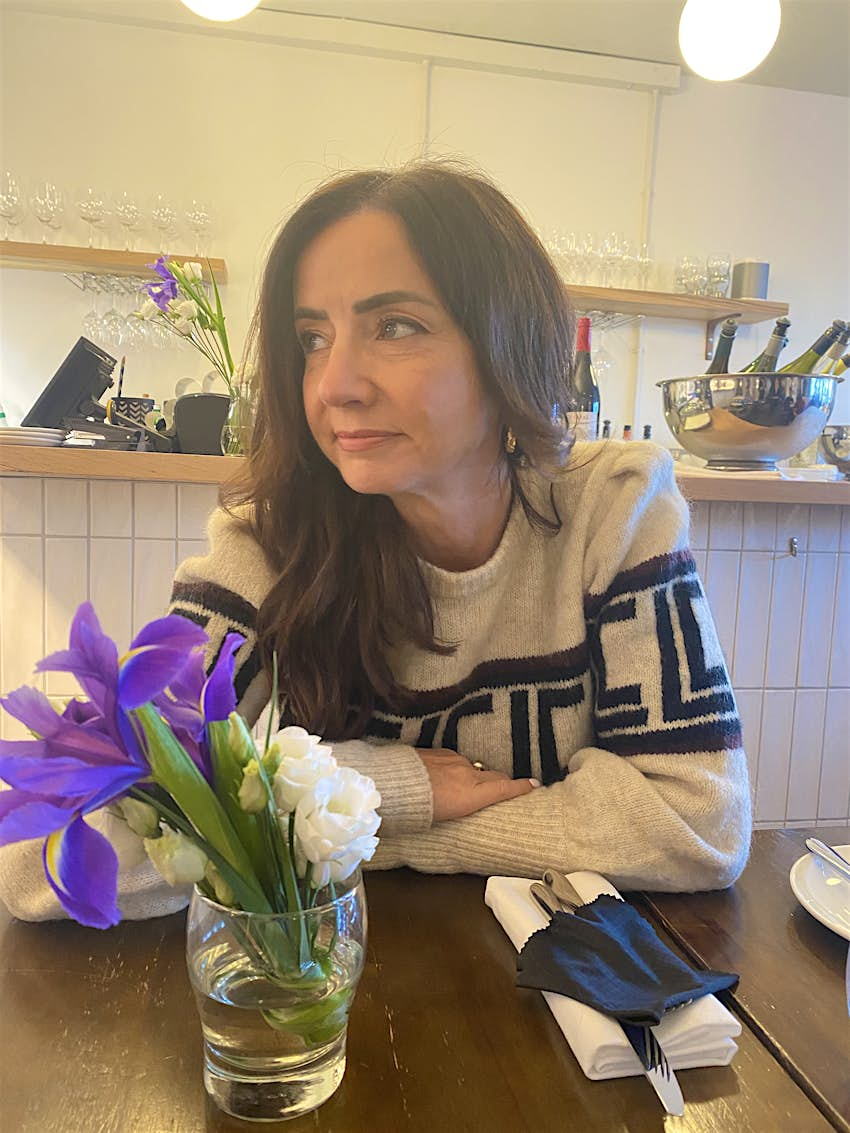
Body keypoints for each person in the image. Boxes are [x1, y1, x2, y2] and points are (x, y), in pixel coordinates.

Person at [0, 160, 751, 922]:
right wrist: (390, 786)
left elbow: (697, 824)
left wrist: (354, 829)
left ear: (508, 347)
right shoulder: (269, 539)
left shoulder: (612, 507)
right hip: (316, 995)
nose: (335, 384)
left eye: (396, 326)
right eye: (313, 337)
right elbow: (37, 864)